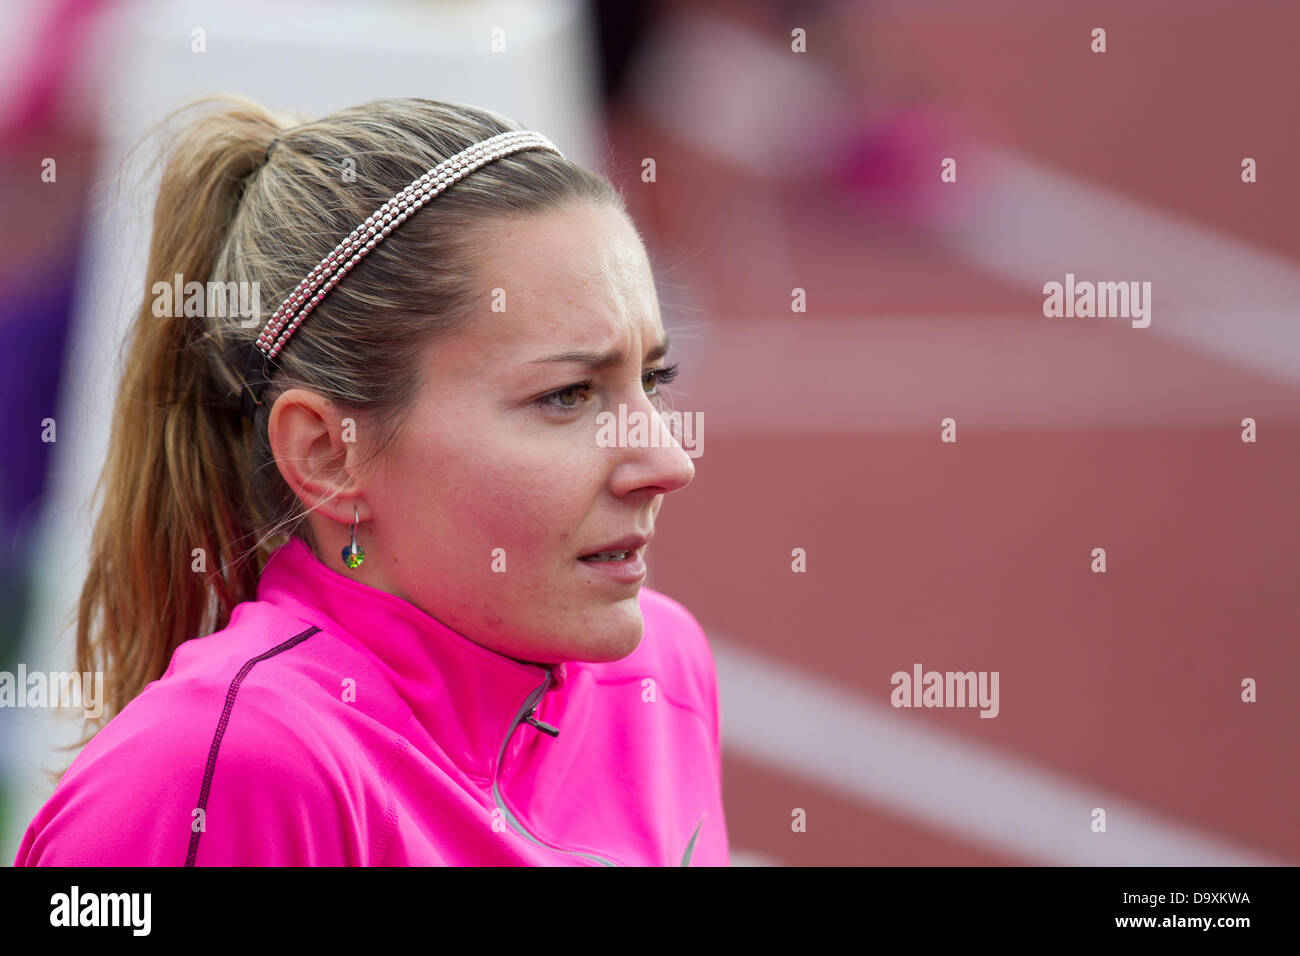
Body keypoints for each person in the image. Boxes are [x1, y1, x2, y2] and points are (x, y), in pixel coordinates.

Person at [14, 94, 727, 866]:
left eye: (653, 378)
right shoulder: (226, 773)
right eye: (566, 396)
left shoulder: (659, 670)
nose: (668, 462)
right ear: (328, 454)